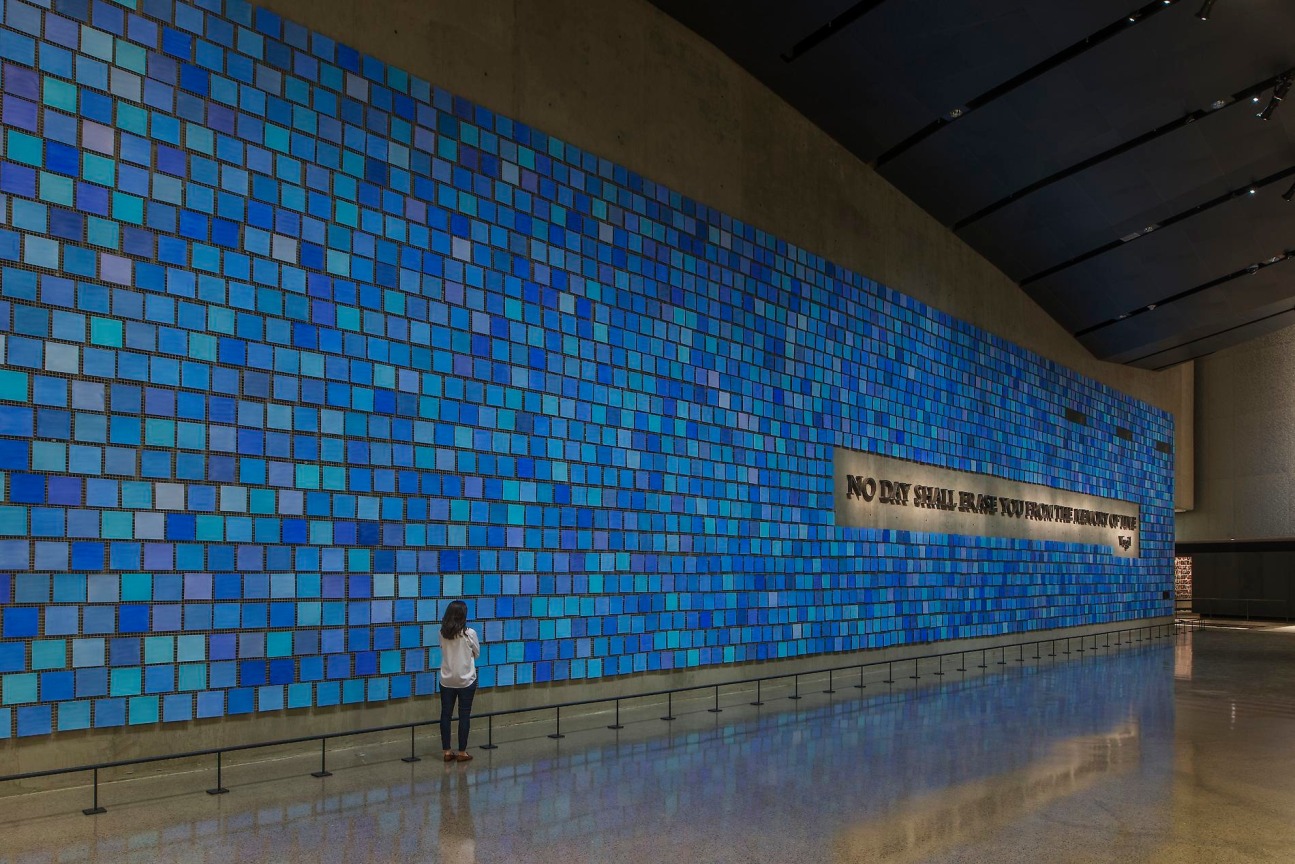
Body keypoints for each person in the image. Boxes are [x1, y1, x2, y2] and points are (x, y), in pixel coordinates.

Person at [439, 600, 480, 762]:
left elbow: (443, 649)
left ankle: (447, 751)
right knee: (464, 715)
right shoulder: (469, 633)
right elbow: (477, 653)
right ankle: (462, 752)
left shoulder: (442, 633)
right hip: (466, 680)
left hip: (447, 679)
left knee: (445, 714)